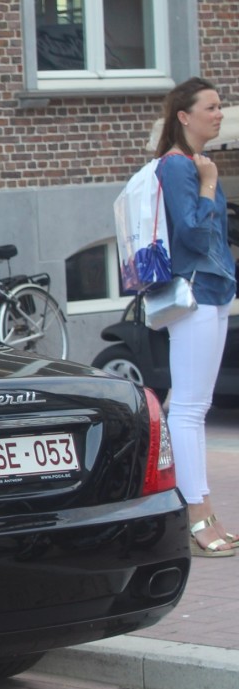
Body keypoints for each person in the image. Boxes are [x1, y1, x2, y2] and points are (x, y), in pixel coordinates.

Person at [154, 77, 237, 556]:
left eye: (220, 106)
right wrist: (208, 186)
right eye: (211, 106)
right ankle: (195, 517)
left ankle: (203, 512)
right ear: (184, 116)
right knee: (187, 408)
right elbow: (189, 233)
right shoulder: (179, 167)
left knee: (193, 408)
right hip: (194, 292)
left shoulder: (198, 164)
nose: (218, 113)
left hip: (214, 290)